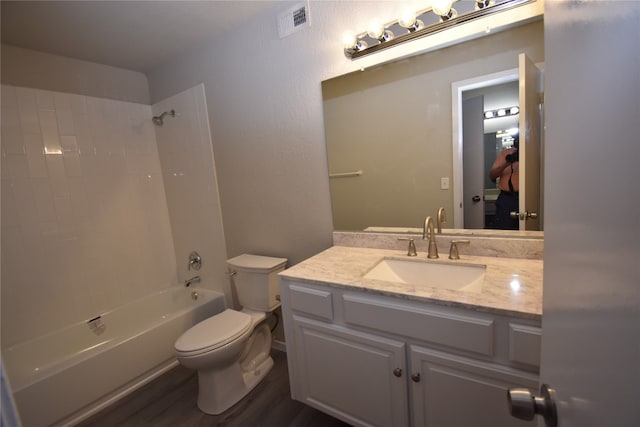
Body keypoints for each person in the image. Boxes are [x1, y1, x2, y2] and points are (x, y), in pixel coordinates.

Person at [489, 138, 519, 230]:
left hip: (527, 197)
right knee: (502, 228)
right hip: (506, 198)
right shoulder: (506, 154)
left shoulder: (533, 153)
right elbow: (492, 176)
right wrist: (508, 162)